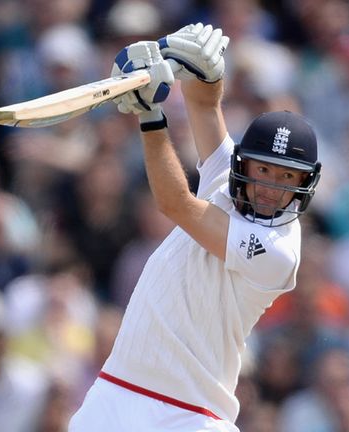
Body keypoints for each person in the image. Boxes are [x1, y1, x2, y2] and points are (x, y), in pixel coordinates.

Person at [68, 23, 322, 431]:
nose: (272, 187)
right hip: (115, 393)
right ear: (245, 164)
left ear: (303, 183)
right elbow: (205, 108)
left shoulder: (278, 251)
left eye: (286, 178)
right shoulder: (226, 177)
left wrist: (150, 115)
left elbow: (175, 204)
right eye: (264, 170)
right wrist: (209, 72)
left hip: (193, 414)